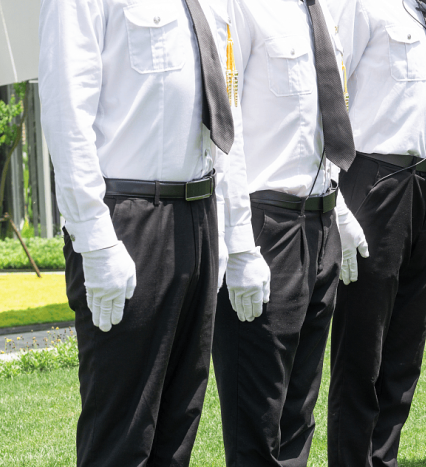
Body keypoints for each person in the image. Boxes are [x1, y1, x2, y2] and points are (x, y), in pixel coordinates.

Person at [39, 0, 238, 464]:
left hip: (199, 212)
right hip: (128, 221)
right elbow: (67, 116)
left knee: (179, 425)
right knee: (122, 435)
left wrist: (226, 226)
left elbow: (222, 107)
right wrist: (95, 240)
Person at [211, 0, 356, 465]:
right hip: (266, 223)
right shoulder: (240, 7)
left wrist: (340, 212)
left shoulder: (320, 12)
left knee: (300, 407)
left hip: (321, 219)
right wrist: (239, 243)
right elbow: (226, 130)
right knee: (258, 409)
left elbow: (323, 118)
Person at [326, 0, 426, 465]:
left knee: (405, 350)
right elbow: (329, 92)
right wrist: (336, 201)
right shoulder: (360, 5)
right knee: (363, 347)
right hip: (376, 179)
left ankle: (383, 457)